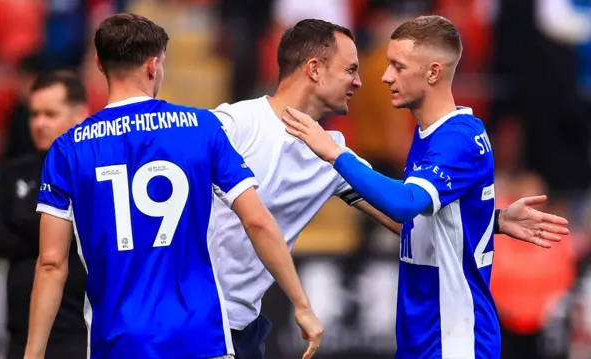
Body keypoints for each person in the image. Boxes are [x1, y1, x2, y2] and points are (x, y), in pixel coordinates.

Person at [208, 18, 569, 359]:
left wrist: (333, 153)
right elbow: (417, 218)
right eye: (352, 69)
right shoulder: (235, 123)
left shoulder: (339, 150)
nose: (371, 79)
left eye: (396, 66)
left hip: (453, 340)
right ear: (315, 69)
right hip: (203, 315)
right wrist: (494, 219)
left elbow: (402, 206)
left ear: (432, 72)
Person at [22, 13, 322, 359]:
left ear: (99, 65)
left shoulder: (68, 149)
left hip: (119, 341)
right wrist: (301, 305)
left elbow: (51, 263)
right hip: (200, 338)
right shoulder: (202, 128)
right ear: (153, 66)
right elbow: (257, 221)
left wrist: (33, 353)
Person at [0, 70, 89, 359]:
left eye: (50, 114)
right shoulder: (16, 171)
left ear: (79, 115)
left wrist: (22, 222)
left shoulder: (93, 173)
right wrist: (55, 233)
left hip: (78, 333)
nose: (39, 124)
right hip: (20, 334)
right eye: (34, 114)